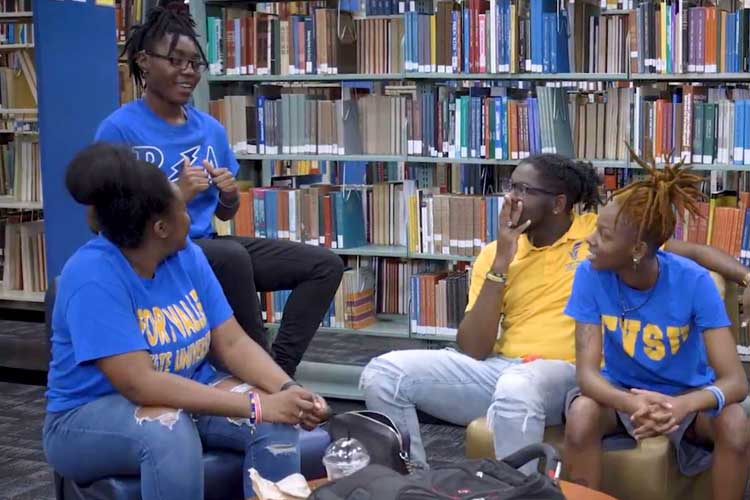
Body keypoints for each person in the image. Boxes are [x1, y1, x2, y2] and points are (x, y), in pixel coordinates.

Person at [360, 153, 750, 472]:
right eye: (509, 187)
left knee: (518, 387)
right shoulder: (495, 254)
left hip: (561, 372)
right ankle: (413, 484)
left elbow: (690, 254)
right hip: (500, 368)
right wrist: (502, 259)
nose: (510, 199)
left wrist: (745, 276)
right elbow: (473, 348)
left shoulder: (597, 236)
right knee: (383, 375)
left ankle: (524, 492)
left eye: (523, 190)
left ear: (559, 203)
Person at [43, 143, 331, 500]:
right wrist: (256, 405)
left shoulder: (186, 256)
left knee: (277, 420)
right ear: (161, 227)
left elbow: (232, 342)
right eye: (183, 207)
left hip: (188, 391)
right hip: (86, 417)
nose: (192, 215)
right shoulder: (92, 277)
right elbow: (141, 384)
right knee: (168, 431)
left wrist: (287, 392)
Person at [94, 3, 344, 378]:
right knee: (229, 256)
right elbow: (101, 222)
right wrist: (175, 194)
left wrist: (228, 195)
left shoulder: (210, 129)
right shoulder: (119, 129)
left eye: (194, 64)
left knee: (324, 266)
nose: (187, 72)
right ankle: (262, 376)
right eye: (176, 61)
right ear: (144, 62)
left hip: (207, 244)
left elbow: (224, 213)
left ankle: (276, 371)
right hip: (158, 254)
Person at [563, 158, 750, 499]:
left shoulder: (693, 281)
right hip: (623, 394)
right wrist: (634, 405)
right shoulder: (589, 275)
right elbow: (587, 376)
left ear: (637, 250)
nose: (589, 240)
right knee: (581, 413)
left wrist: (681, 406)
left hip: (687, 398)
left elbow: (735, 382)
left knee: (736, 424)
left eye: (603, 235)